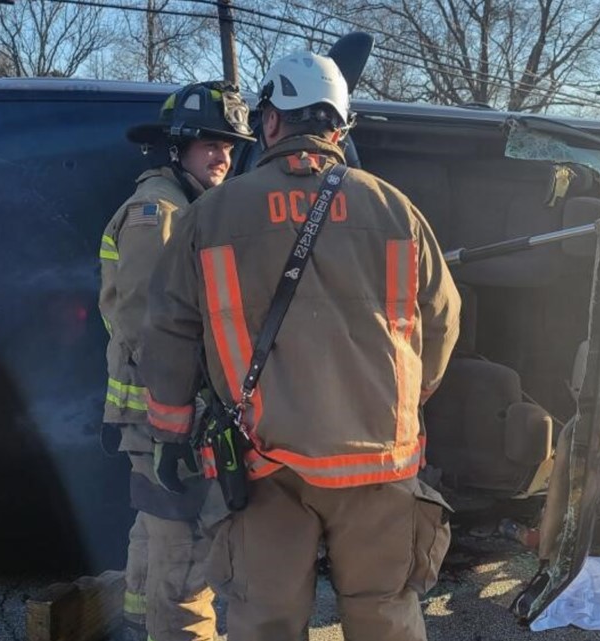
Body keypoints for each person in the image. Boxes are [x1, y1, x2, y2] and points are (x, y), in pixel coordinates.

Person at [141, 52, 461, 641]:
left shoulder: (210, 216)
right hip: (381, 466)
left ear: (269, 123)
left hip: (266, 466)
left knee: (266, 621)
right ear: (340, 127)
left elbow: (169, 332)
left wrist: (169, 433)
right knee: (386, 615)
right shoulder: (397, 210)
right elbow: (440, 322)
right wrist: (402, 406)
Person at [99, 80, 255, 641]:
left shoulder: (181, 204)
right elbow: (148, 324)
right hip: (166, 415)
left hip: (157, 413)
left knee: (155, 532)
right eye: (209, 143)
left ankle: (141, 621)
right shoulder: (159, 212)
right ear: (177, 147)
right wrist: (180, 414)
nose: (223, 156)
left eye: (230, 146)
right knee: (185, 552)